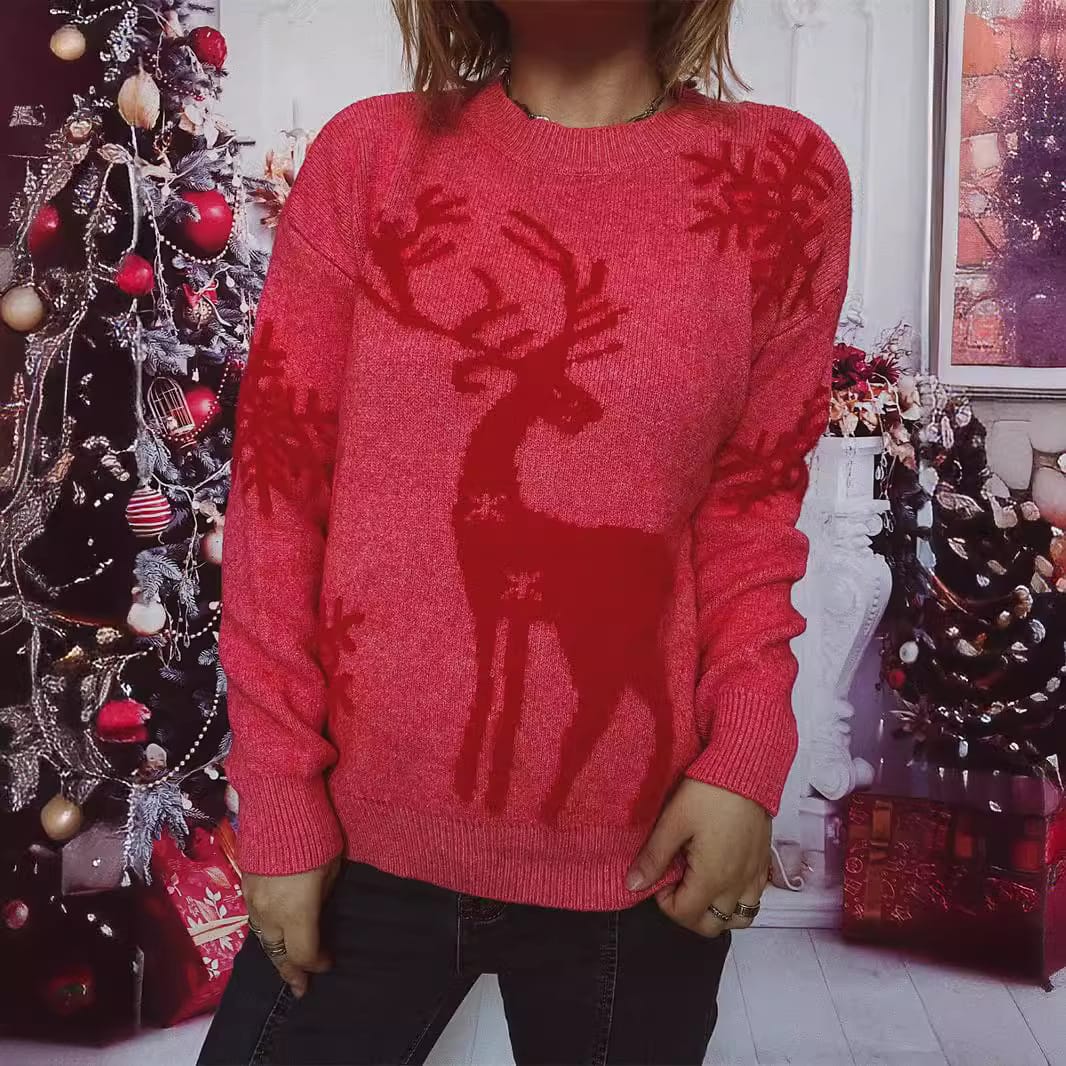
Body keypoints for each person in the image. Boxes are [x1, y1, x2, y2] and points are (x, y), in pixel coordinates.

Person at [198, 1, 852, 1062]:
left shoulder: (782, 178)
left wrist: (743, 757)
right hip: (360, 848)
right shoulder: (370, 158)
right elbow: (277, 497)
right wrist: (274, 799)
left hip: (645, 856)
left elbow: (751, 507)